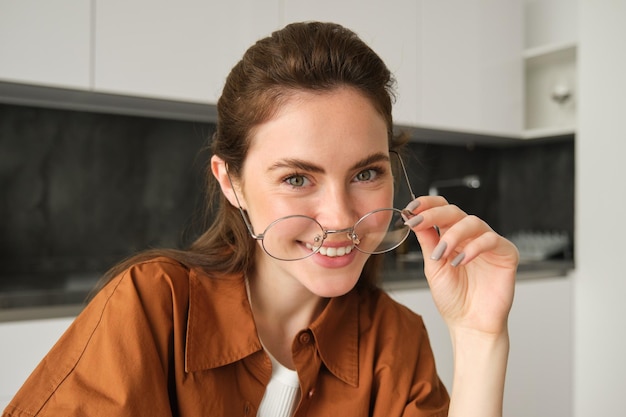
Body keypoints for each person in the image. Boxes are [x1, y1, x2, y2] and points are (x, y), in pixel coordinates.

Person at [2, 22, 517, 417]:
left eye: (366, 173)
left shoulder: (396, 340)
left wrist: (479, 337)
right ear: (232, 183)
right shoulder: (151, 307)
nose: (341, 217)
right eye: (297, 178)